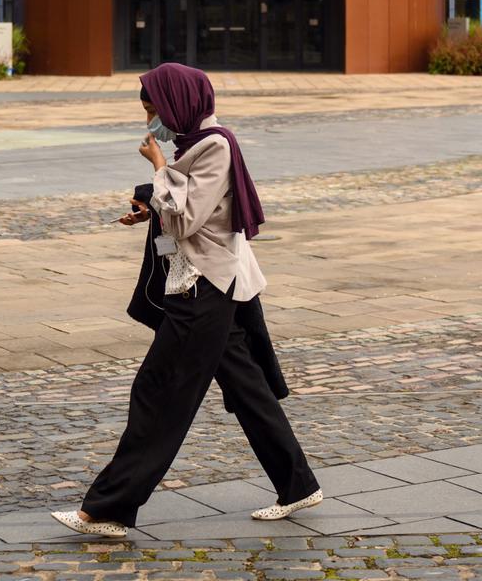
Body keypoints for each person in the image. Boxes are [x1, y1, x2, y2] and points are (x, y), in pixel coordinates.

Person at [51, 63, 321, 539]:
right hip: (209, 283)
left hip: (204, 288)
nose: (149, 120)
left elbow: (185, 220)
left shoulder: (215, 146)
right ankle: (297, 485)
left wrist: (157, 169)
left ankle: (109, 509)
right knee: (247, 389)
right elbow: (191, 209)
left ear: (178, 103)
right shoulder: (194, 144)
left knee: (160, 393)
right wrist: (148, 208)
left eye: (153, 110)